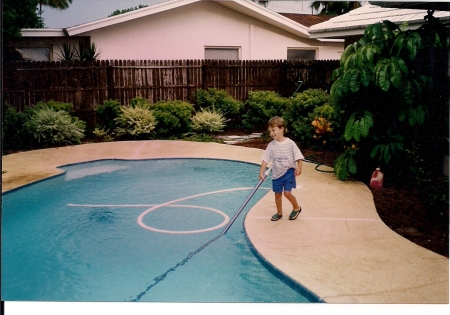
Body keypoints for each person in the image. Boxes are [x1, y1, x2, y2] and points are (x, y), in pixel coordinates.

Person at [259, 116, 304, 221]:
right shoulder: (271, 145)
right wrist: (261, 172)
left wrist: (299, 168)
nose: (271, 133)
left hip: (289, 172)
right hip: (276, 174)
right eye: (270, 131)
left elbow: (299, 157)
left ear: (282, 128)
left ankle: (296, 208)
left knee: (287, 193)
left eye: (273, 130)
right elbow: (265, 159)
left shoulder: (290, 143)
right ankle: (279, 212)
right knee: (277, 194)